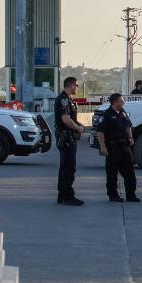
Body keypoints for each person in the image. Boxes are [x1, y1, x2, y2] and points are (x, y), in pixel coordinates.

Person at [97, 93, 140, 203]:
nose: (123, 103)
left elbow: (128, 126)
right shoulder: (107, 115)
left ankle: (131, 195)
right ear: (115, 102)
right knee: (112, 174)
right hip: (113, 147)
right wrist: (103, 147)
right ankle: (113, 195)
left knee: (130, 173)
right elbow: (100, 133)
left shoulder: (123, 112)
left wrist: (130, 137)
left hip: (125, 147)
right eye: (121, 101)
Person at [55, 77, 87, 206]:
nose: (77, 88)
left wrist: (79, 124)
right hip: (67, 137)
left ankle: (62, 195)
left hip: (69, 137)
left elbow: (71, 118)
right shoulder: (63, 99)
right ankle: (68, 196)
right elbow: (66, 119)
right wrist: (78, 128)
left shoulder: (68, 99)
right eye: (76, 85)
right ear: (71, 85)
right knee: (69, 168)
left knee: (65, 167)